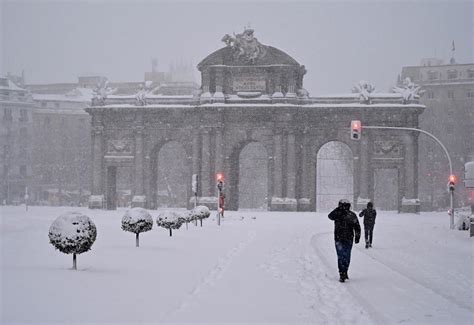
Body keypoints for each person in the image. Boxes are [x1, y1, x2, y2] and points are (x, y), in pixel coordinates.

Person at [328, 199, 361, 283]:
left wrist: (357, 236)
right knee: (345, 256)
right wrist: (357, 237)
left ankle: (343, 272)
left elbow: (357, 227)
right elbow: (330, 216)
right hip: (346, 239)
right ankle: (343, 272)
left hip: (341, 238)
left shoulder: (344, 214)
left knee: (342, 256)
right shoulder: (349, 214)